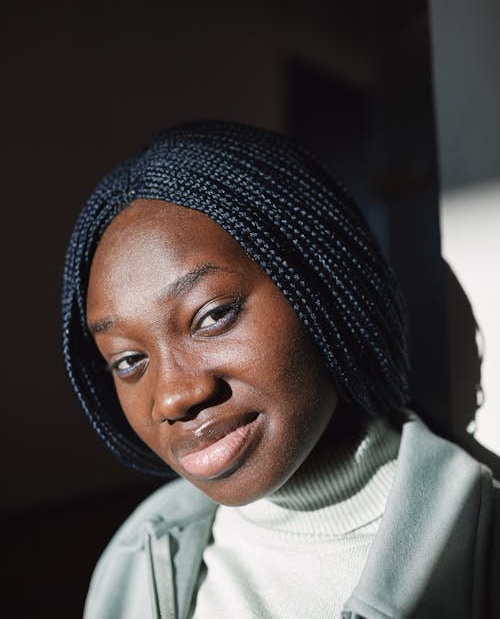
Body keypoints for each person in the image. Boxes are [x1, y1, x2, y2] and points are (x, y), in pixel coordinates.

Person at [62, 121, 498, 619]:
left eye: (213, 316)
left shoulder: (482, 556)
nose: (173, 397)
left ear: (325, 285)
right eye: (129, 361)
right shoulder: (135, 560)